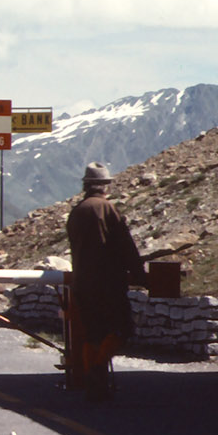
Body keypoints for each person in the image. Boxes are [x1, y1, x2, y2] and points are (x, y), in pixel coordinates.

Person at [66, 162, 148, 403]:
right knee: (121, 329)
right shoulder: (107, 209)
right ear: (105, 186)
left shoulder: (77, 211)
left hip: (82, 283)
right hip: (107, 284)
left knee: (92, 334)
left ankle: (94, 383)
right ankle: (97, 372)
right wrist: (140, 275)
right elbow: (125, 246)